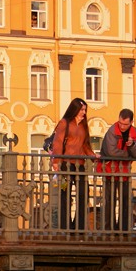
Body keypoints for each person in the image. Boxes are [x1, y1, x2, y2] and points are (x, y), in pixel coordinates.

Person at [50, 98, 97, 230]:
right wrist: (56, 161)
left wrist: (93, 156)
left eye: (85, 110)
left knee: (83, 194)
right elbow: (57, 142)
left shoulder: (83, 125)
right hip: (65, 164)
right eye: (82, 109)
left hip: (80, 165)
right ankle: (66, 226)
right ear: (75, 109)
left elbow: (85, 145)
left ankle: (79, 226)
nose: (84, 112)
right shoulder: (65, 123)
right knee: (65, 195)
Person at [99, 108, 136, 231]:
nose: (122, 126)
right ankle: (109, 229)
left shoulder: (135, 133)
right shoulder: (112, 131)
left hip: (124, 172)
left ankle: (123, 229)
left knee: (125, 202)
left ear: (131, 123)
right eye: (120, 123)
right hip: (110, 171)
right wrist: (129, 155)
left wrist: (132, 145)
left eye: (125, 124)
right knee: (109, 201)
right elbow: (111, 152)